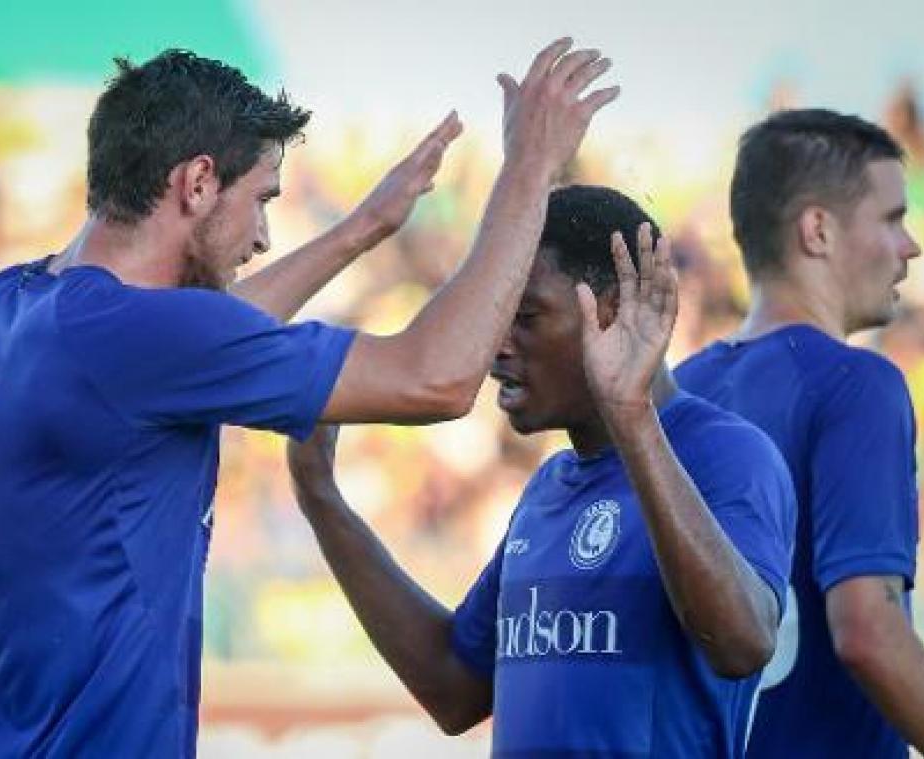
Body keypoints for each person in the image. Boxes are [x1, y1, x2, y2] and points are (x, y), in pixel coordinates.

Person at [0, 41, 619, 757]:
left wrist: (361, 230)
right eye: (262, 199)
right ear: (198, 182)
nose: (263, 236)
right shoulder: (123, 334)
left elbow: (193, 339)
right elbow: (435, 378)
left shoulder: (4, 306)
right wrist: (529, 168)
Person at [287, 185, 796, 757]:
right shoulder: (549, 488)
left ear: (614, 314)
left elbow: (742, 644)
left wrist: (630, 416)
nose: (496, 347)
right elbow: (454, 689)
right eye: (494, 319)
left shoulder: (727, 454)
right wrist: (321, 496)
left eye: (526, 317)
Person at [675, 108, 924, 758]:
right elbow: (867, 629)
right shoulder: (857, 385)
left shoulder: (673, 392)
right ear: (818, 230)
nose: (910, 246)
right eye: (891, 219)